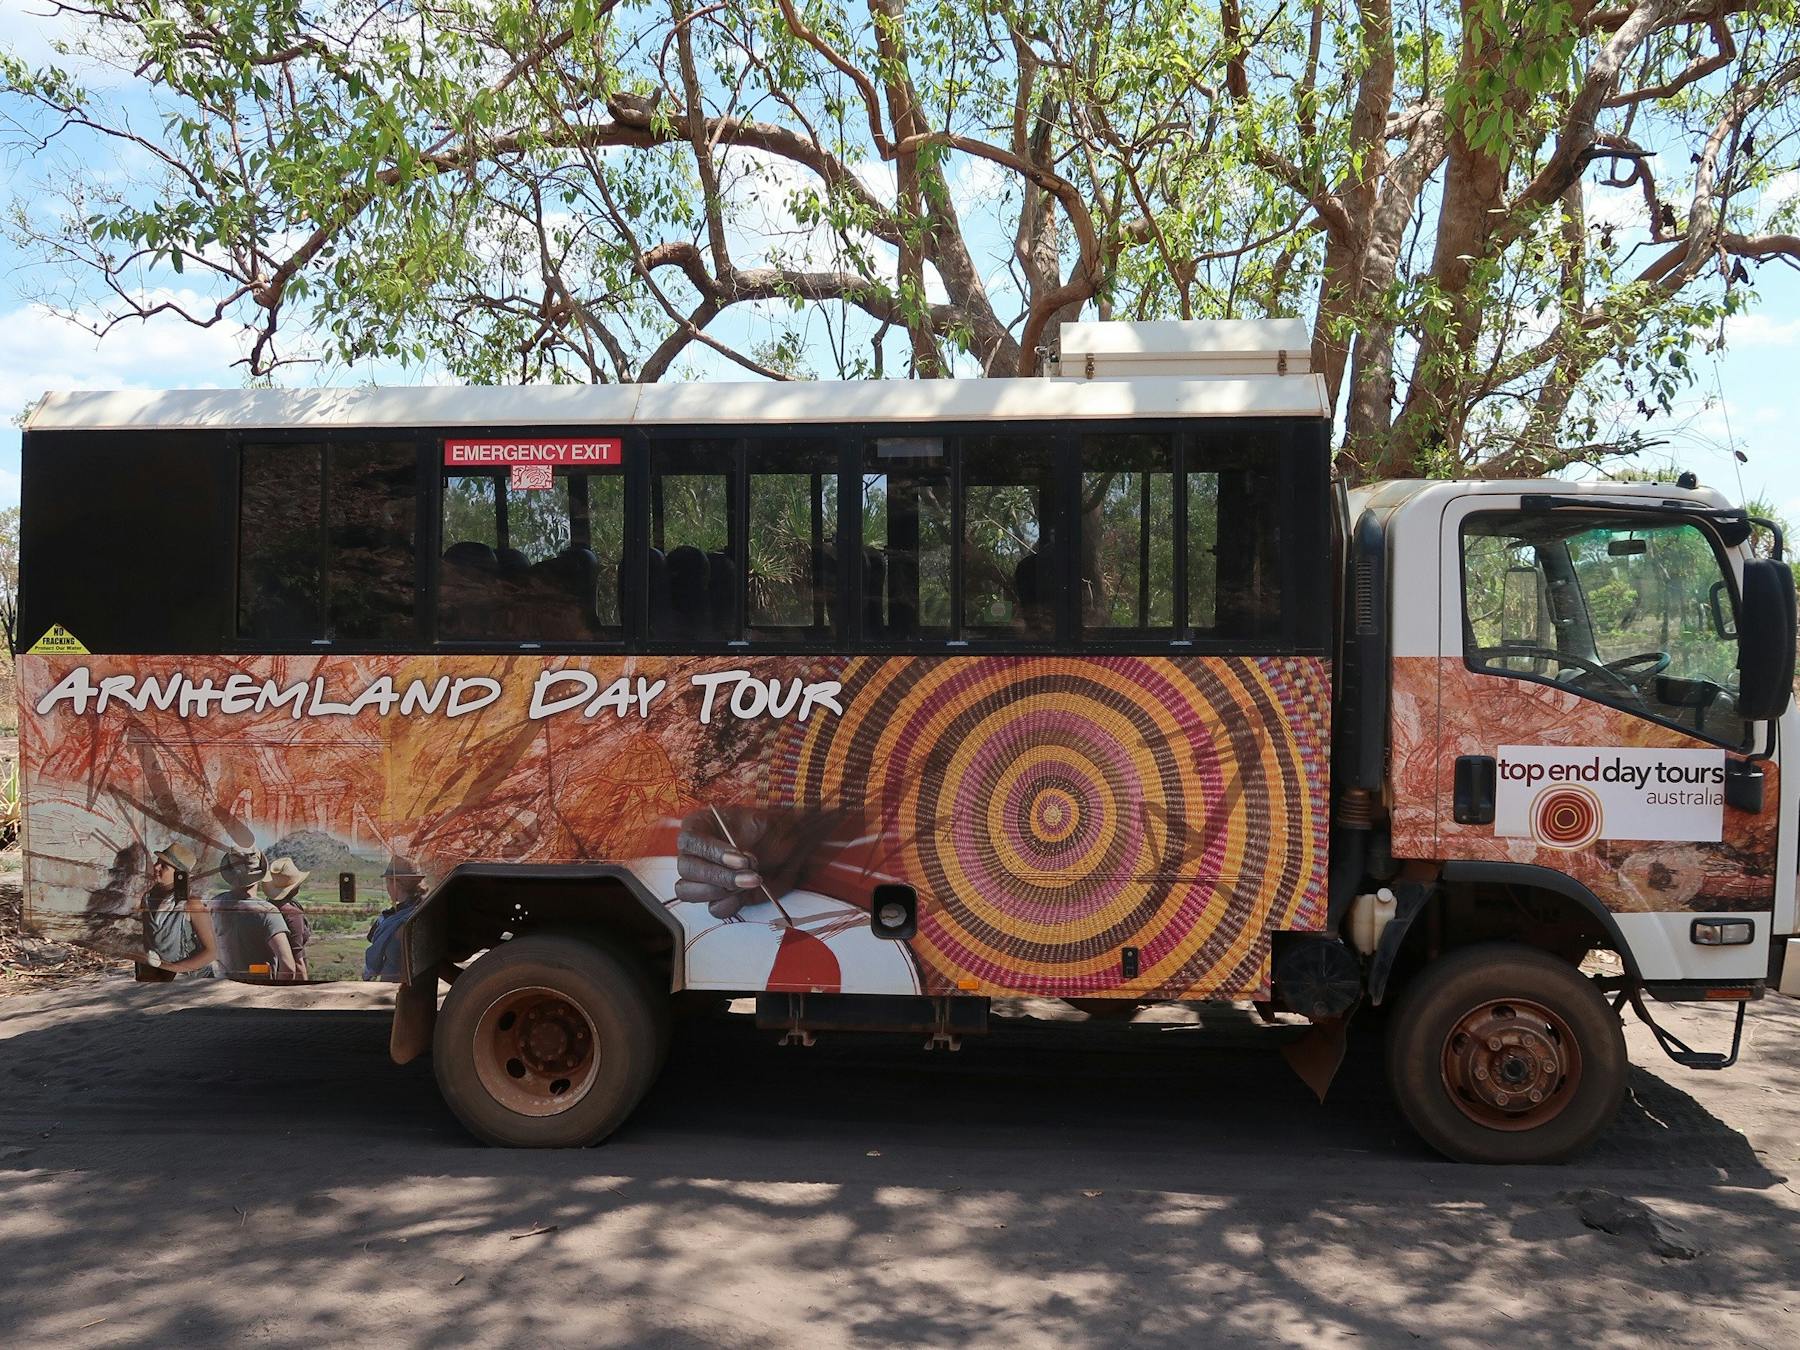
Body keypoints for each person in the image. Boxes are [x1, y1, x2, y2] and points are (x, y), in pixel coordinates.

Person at [209, 848, 299, 981]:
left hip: (221, 988)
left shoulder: (214, 904)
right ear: (261, 872)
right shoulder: (266, 912)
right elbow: (288, 967)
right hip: (257, 991)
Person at [138, 841, 220, 976]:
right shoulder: (148, 899)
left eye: (164, 866)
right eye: (157, 861)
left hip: (193, 980)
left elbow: (211, 952)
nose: (156, 866)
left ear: (179, 875)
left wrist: (171, 969)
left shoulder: (191, 904)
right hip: (162, 978)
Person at [363, 856, 426, 981]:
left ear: (396, 883)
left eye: (388, 882)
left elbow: (375, 956)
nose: (387, 887)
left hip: (395, 985)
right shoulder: (417, 909)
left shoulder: (403, 920)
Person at [260, 857, 314, 981]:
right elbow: (297, 961)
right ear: (294, 889)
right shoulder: (292, 914)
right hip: (287, 978)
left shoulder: (266, 908)